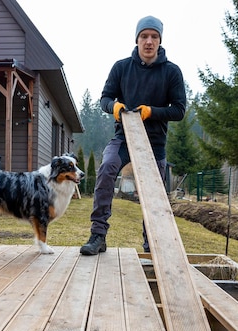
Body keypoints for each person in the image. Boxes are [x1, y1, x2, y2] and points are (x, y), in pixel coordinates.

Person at [80, 15, 187, 256]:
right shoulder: (121, 68)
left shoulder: (172, 72)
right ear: (137, 39)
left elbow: (179, 110)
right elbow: (105, 99)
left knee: (155, 193)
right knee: (107, 168)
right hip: (124, 138)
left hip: (154, 144)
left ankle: (153, 244)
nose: (149, 41)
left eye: (154, 37)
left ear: (160, 41)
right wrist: (114, 108)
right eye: (144, 36)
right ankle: (98, 235)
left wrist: (152, 112)